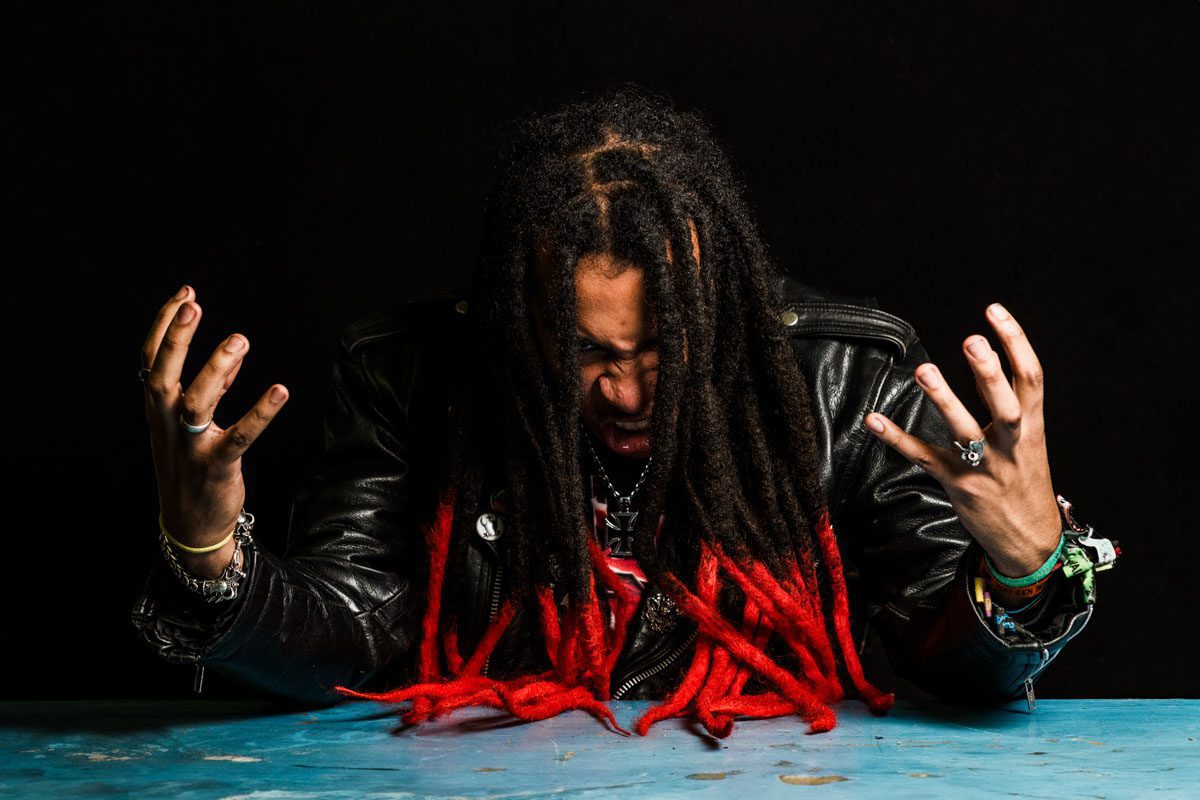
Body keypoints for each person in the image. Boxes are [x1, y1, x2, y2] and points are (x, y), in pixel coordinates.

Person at [132, 83, 1116, 739]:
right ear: (525, 321)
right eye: (589, 352)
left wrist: (1027, 572)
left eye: (662, 351)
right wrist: (209, 552)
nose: (633, 388)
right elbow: (353, 629)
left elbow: (952, 665)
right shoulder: (408, 379)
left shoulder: (846, 379)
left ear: (720, 302)